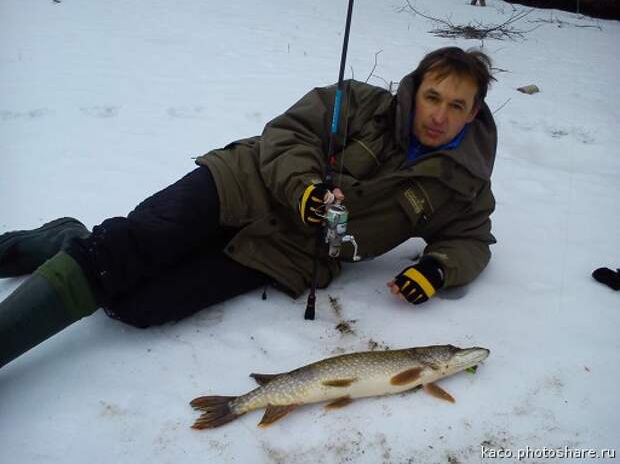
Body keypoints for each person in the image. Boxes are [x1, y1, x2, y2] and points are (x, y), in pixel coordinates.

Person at [0, 46, 497, 368]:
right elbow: (285, 134)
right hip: (241, 182)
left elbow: (472, 239)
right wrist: (304, 189)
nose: (439, 115)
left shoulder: (463, 182)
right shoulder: (359, 103)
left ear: (473, 111)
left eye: (457, 105)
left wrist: (439, 268)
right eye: (433, 97)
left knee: (138, 307)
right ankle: (59, 264)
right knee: (125, 251)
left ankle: (67, 237)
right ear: (416, 89)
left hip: (283, 252)